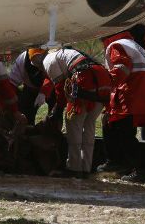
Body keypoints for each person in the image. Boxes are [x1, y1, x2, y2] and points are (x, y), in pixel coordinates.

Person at [31, 48, 111, 178]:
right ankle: (86, 168)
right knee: (89, 125)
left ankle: (74, 168)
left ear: (36, 60)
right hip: (103, 79)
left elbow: (60, 87)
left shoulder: (47, 60)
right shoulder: (64, 54)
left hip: (85, 79)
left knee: (73, 123)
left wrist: (58, 109)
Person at [99, 30, 145, 183]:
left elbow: (121, 68)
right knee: (114, 127)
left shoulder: (117, 45)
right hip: (141, 95)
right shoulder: (134, 46)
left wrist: (104, 84)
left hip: (130, 95)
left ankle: (140, 170)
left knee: (124, 134)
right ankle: (118, 163)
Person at [9, 48, 55, 125]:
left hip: (51, 86)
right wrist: (12, 107)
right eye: (37, 66)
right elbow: (11, 84)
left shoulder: (51, 57)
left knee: (55, 110)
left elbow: (52, 76)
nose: (39, 69)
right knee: (26, 111)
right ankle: (28, 129)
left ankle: (53, 128)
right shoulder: (21, 61)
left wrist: (43, 92)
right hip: (30, 88)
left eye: (41, 66)